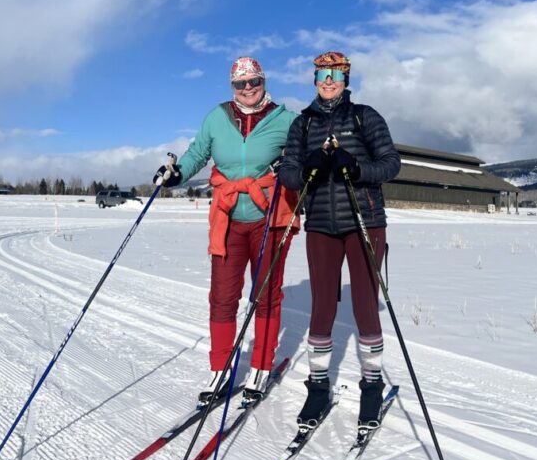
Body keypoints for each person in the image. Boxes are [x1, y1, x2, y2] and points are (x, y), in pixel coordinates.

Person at [156, 57, 299, 405]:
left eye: (254, 81)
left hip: (270, 217)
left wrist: (292, 161)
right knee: (222, 297)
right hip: (228, 217)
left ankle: (261, 365)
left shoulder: (286, 119)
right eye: (240, 84)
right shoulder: (217, 117)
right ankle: (221, 368)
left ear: (264, 82)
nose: (248, 89)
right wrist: (177, 174)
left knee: (265, 295)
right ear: (232, 86)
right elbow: (197, 154)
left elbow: (304, 154)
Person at [278, 51, 401, 430]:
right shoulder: (302, 124)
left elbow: (391, 163)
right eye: (321, 75)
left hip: (364, 222)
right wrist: (307, 168)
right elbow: (287, 173)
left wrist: (358, 167)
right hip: (320, 224)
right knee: (321, 308)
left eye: (335, 74)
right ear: (314, 80)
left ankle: (371, 385)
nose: (328, 81)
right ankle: (318, 387)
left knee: (365, 305)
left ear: (346, 79)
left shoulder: (364, 116)